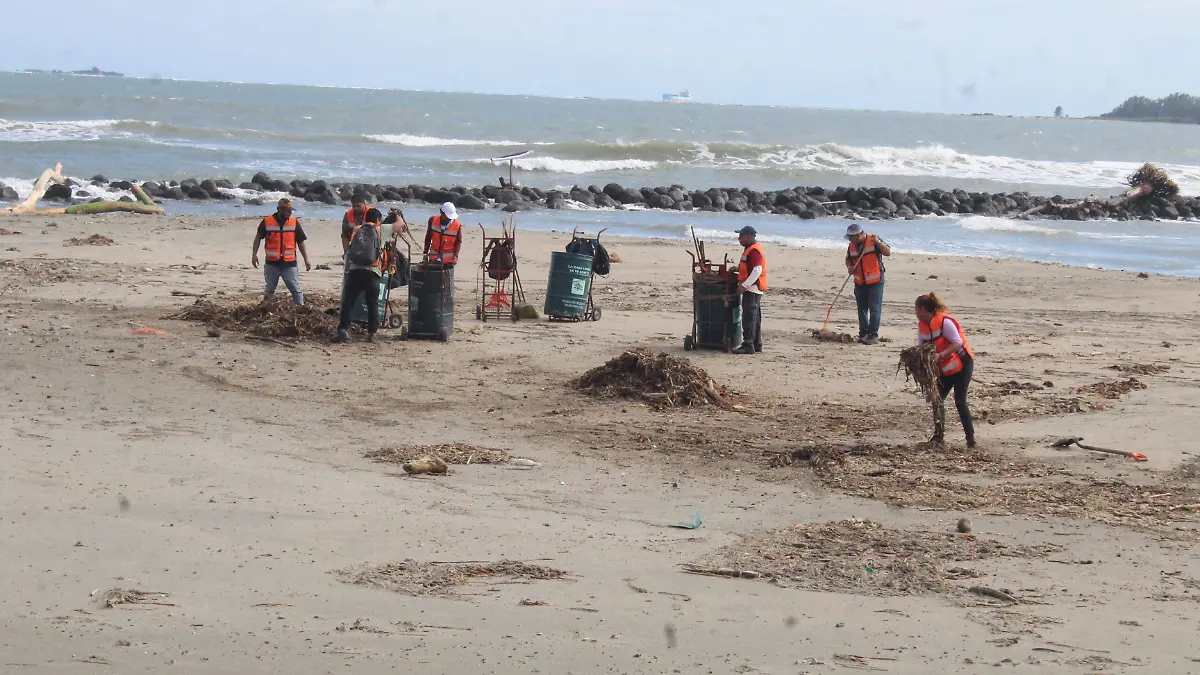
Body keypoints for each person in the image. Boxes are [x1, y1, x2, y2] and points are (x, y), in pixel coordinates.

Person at [333, 194, 406, 344]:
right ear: (378, 220)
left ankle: (343, 330)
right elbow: (400, 224)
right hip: (372, 273)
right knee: (372, 303)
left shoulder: (357, 229)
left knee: (348, 302)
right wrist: (397, 214)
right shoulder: (381, 230)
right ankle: (372, 334)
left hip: (354, 271)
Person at [915, 292, 976, 448]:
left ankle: (971, 440)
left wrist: (940, 354)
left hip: (963, 364)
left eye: (916, 310)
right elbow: (922, 347)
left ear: (923, 309)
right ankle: (938, 436)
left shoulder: (944, 323)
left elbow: (957, 343)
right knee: (937, 399)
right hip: (945, 368)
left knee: (960, 401)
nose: (915, 313)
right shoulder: (922, 325)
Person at [251, 198, 311, 305]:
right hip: (272, 263)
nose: (290, 212)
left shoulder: (294, 222)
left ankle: (301, 308)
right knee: (270, 289)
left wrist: (306, 259)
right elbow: (258, 238)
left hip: (289, 263)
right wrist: (254, 255)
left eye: (290, 210)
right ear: (280, 210)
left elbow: (300, 242)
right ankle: (264, 308)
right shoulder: (267, 222)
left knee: (295, 288)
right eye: (288, 210)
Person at [844, 223, 891, 345]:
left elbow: (888, 252)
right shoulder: (851, 246)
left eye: (851, 237)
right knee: (862, 308)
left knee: (874, 309)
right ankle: (863, 333)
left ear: (858, 235)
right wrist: (850, 267)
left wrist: (878, 243)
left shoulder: (874, 240)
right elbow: (848, 259)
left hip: (875, 281)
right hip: (860, 281)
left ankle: (872, 335)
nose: (849, 240)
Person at [732, 225, 767, 355]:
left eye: (741, 236)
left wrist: (744, 285)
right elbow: (749, 267)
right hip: (754, 288)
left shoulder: (754, 251)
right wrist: (737, 269)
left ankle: (748, 345)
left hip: (752, 289)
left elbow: (757, 270)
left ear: (749, 236)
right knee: (755, 317)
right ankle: (757, 344)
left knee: (749, 317)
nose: (739, 238)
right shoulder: (750, 249)